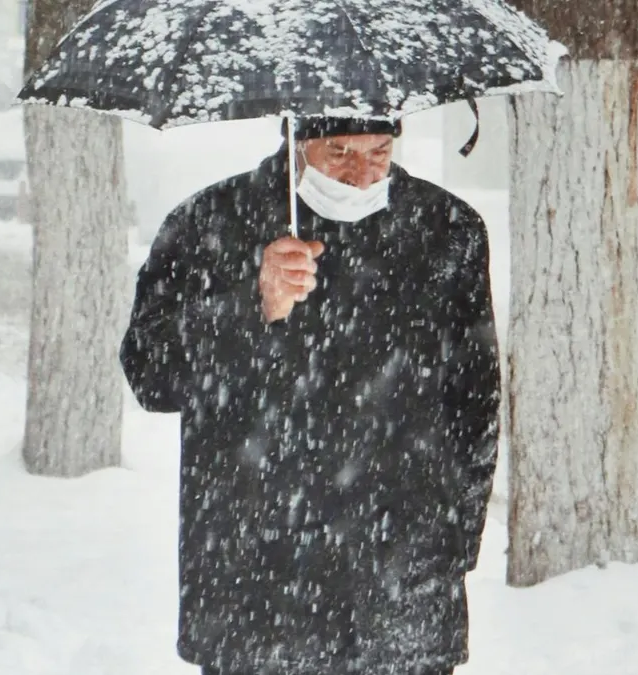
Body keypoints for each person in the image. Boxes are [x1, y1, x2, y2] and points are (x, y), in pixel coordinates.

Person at [120, 116, 501, 675]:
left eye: (379, 150)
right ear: (296, 138)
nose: (360, 172)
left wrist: (449, 547)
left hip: (400, 588)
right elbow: (150, 375)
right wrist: (251, 305)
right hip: (258, 585)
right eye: (339, 150)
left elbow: (475, 404)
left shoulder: (446, 231)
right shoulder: (211, 222)